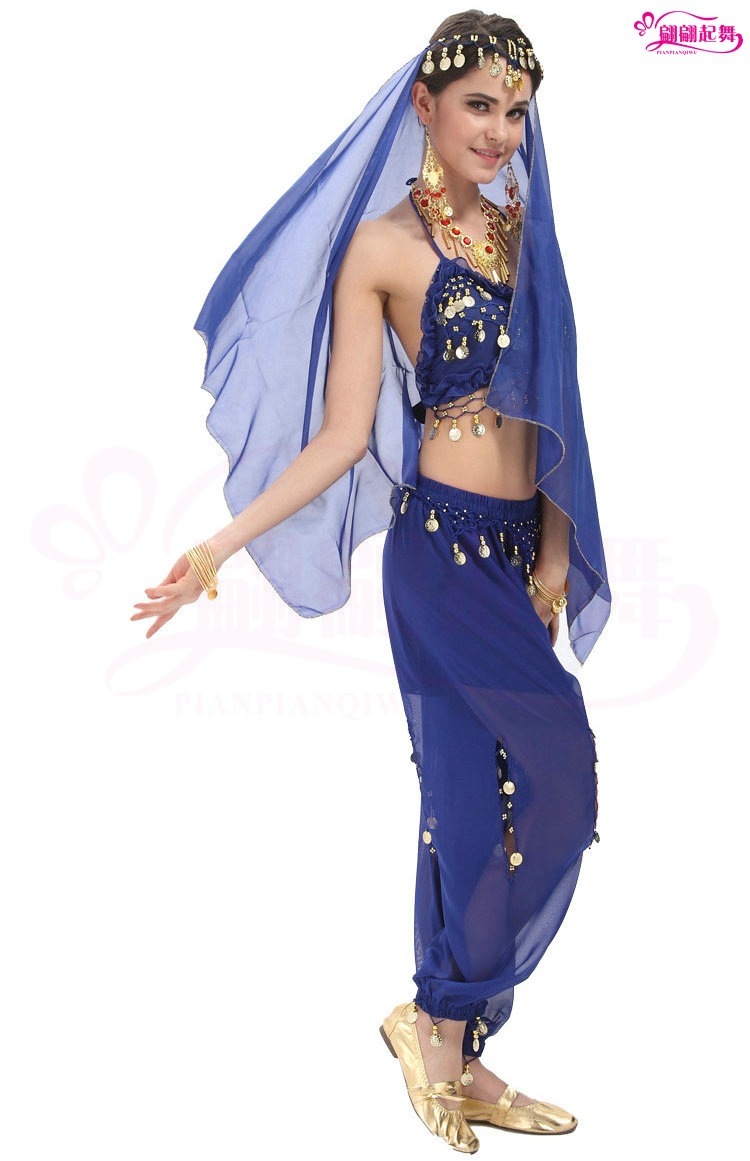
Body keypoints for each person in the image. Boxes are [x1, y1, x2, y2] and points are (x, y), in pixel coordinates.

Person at [132, 9, 611, 1153]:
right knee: (471, 802)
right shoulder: (383, 250)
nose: (499, 131)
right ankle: (448, 1034)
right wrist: (216, 549)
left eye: (516, 111)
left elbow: (561, 406)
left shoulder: (525, 234)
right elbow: (344, 437)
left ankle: (442, 1029)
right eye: (478, 106)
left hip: (515, 559)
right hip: (439, 559)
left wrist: (554, 555)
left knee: (553, 793)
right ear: (425, 107)